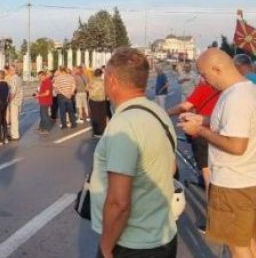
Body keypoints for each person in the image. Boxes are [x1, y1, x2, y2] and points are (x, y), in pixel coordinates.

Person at [179, 49, 256, 258]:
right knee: (246, 241)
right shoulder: (248, 90)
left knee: (236, 246)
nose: (204, 80)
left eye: (204, 74)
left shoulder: (236, 97)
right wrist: (202, 120)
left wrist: (200, 131)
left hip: (235, 185)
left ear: (218, 68)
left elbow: (236, 146)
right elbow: (231, 124)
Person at [89, 48, 178, 258]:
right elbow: (171, 166)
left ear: (111, 79)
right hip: (163, 236)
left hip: (132, 245)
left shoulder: (124, 125)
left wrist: (106, 246)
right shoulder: (157, 113)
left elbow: (119, 202)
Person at [168, 78, 220, 204]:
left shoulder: (204, 87)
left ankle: (211, 214)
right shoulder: (228, 88)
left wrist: (166, 112)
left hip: (202, 133)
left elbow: (184, 107)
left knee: (208, 174)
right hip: (220, 133)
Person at [6, 65, 24, 140]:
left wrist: (8, 100)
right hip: (18, 100)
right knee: (14, 118)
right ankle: (14, 133)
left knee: (13, 119)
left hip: (13, 101)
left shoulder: (14, 79)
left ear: (13, 70)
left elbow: (13, 92)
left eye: (10, 70)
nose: (9, 72)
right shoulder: (18, 78)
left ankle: (15, 135)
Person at [88, 69, 107, 137]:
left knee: (95, 116)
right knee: (102, 116)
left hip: (93, 100)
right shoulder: (103, 82)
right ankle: (102, 130)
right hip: (102, 99)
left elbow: (87, 88)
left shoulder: (91, 81)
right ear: (101, 74)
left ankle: (96, 132)